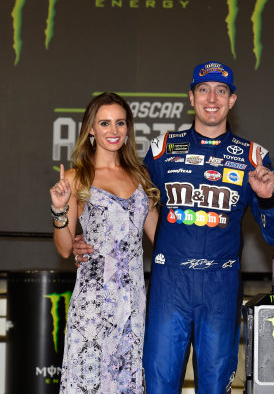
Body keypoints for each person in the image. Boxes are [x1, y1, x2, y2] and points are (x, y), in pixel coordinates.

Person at [75, 61, 274, 393]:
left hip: (221, 286)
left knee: (215, 388)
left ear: (232, 100)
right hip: (168, 286)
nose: (212, 98)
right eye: (203, 90)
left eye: (221, 91)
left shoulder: (254, 157)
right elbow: (127, 204)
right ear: (191, 97)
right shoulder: (162, 150)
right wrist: (85, 237)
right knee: (159, 387)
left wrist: (266, 200)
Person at [50, 92, 159, 393]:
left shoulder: (141, 177)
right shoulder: (76, 178)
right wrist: (60, 210)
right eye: (105, 123)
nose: (113, 130)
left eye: (120, 123)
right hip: (93, 307)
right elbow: (63, 246)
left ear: (128, 129)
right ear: (92, 131)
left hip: (133, 305)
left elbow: (160, 238)